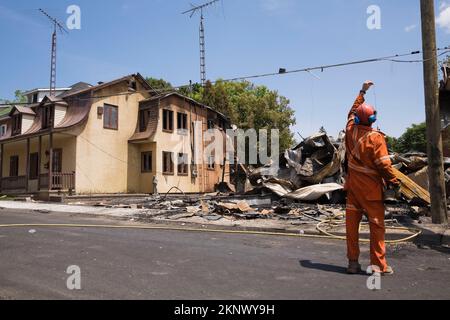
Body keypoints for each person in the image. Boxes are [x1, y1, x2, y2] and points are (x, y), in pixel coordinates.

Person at [344, 80, 400, 275]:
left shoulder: (350, 130)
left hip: (352, 190)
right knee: (377, 229)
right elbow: (384, 165)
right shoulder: (376, 138)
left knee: (352, 228)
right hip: (371, 192)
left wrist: (362, 91)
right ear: (373, 119)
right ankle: (378, 267)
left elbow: (351, 111)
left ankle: (352, 264)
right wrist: (394, 182)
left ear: (357, 119)